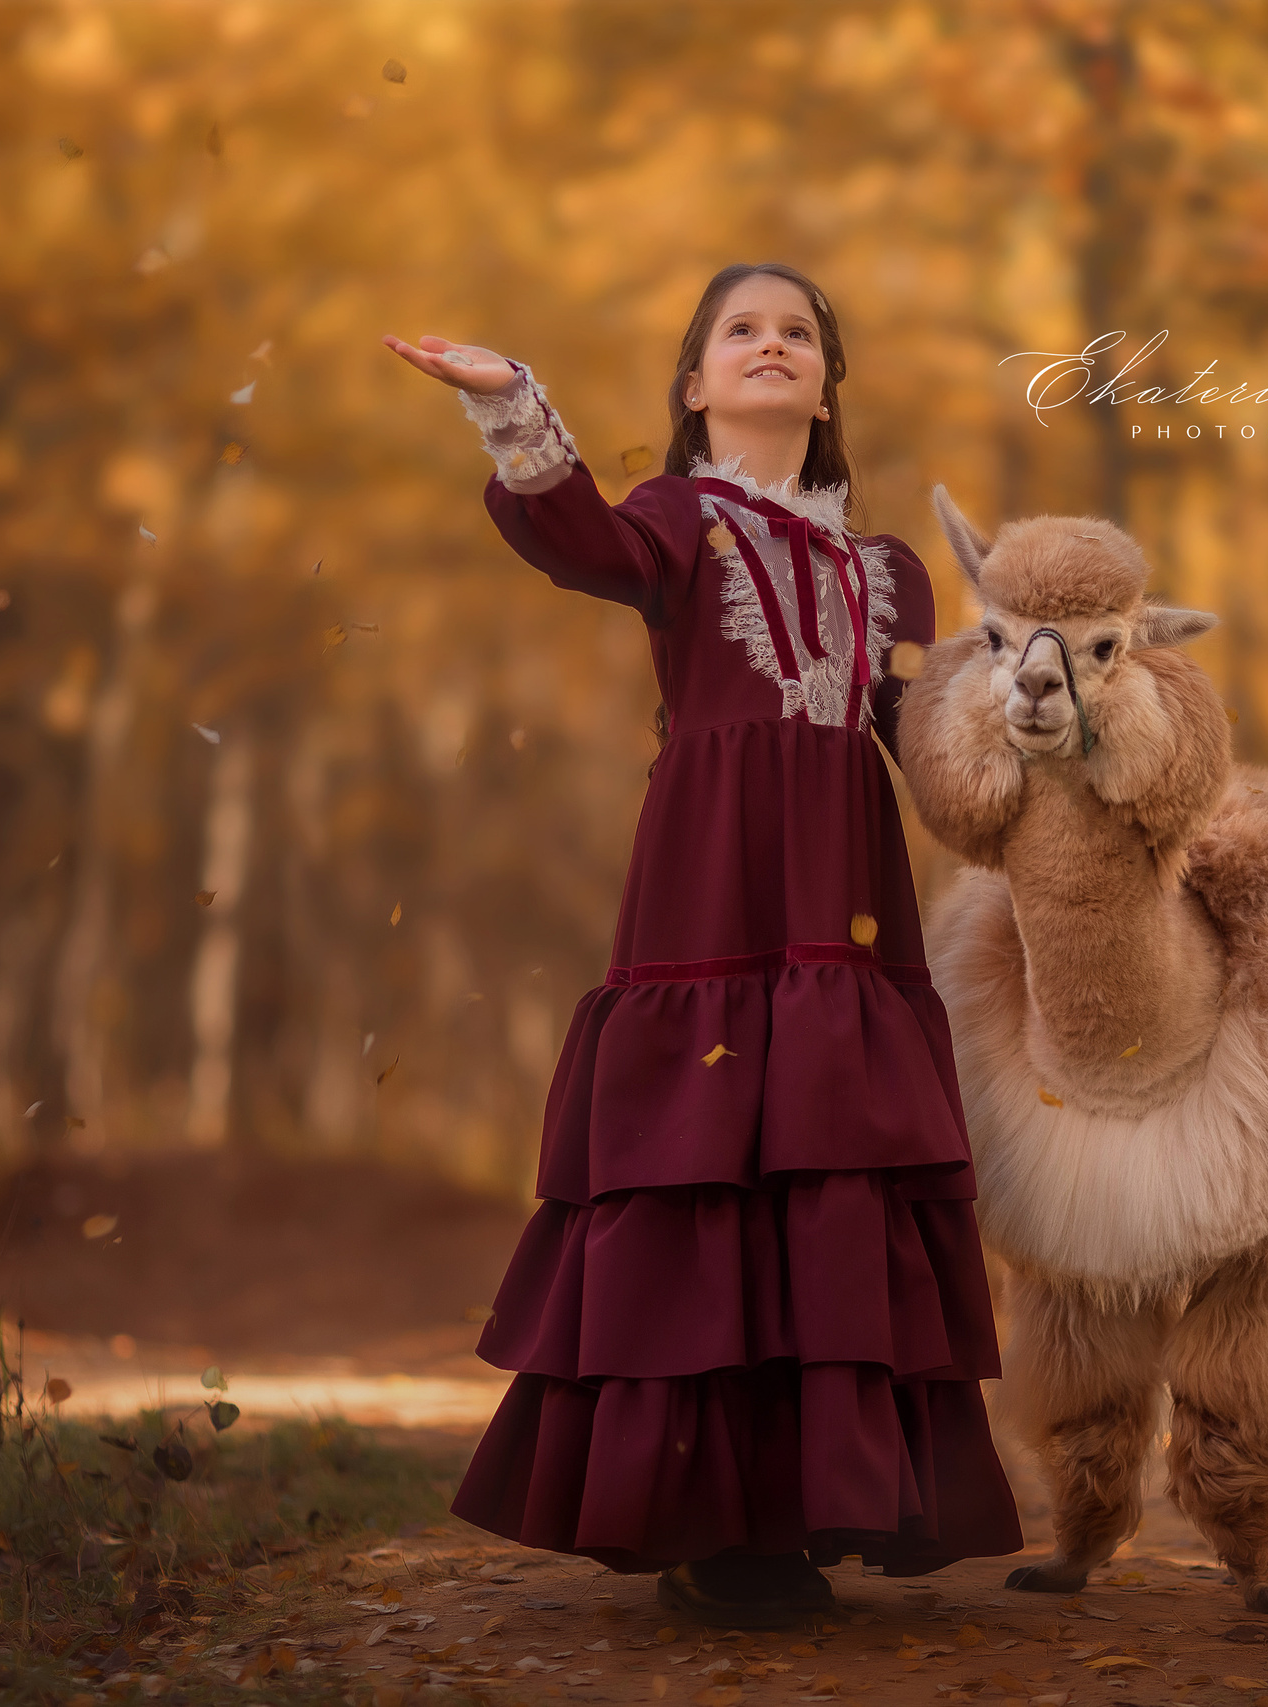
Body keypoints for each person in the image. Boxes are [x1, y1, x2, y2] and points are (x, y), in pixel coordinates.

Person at [383, 263, 1022, 1626]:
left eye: (799, 332)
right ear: (695, 384)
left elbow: (935, 747)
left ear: (829, 383)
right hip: (712, 901)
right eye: (742, 331)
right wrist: (511, 403)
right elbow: (580, 545)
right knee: (709, 1160)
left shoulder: (887, 571)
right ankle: (705, 1522)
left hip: (845, 914)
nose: (772, 345)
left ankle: (822, 1497)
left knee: (832, 1164)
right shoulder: (677, 522)